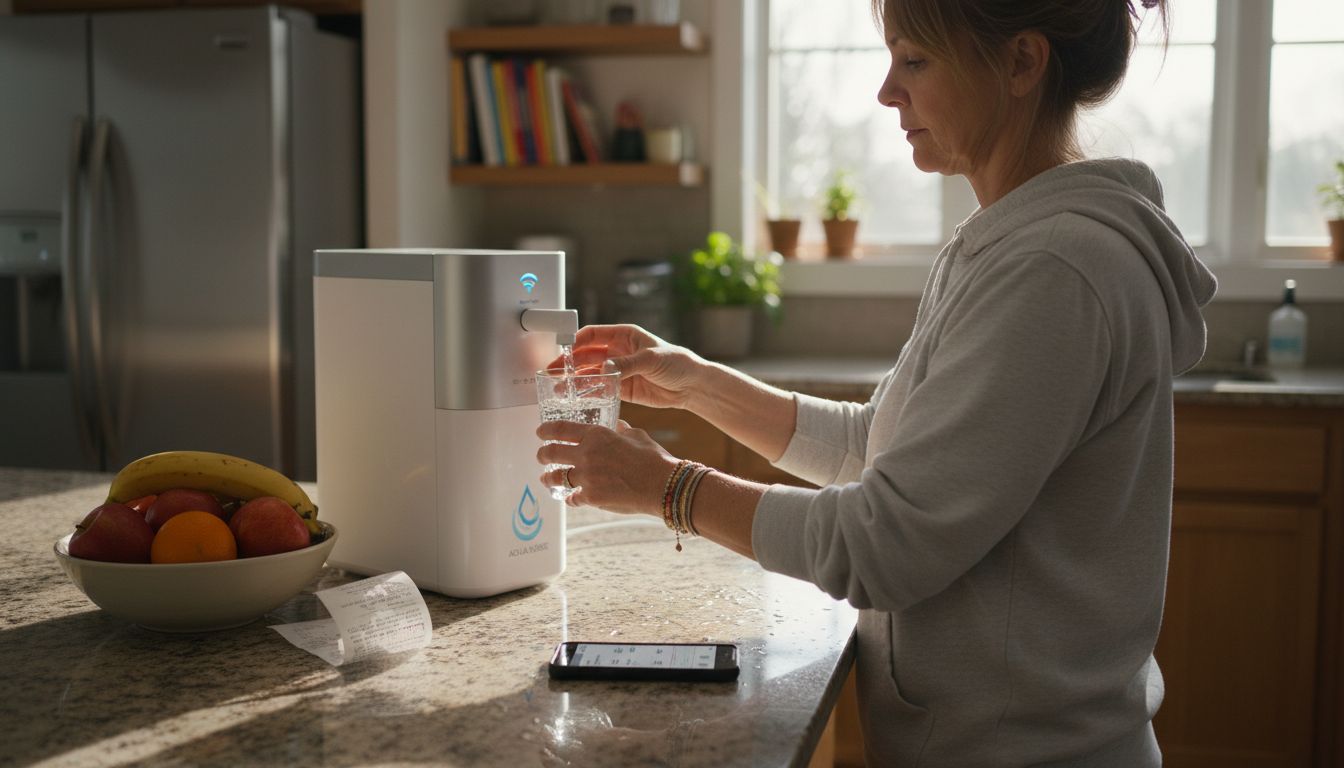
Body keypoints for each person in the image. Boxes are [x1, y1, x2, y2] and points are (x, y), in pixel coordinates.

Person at [536, 0, 1216, 764]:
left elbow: (886, 547)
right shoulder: (1007, 243)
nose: (888, 91)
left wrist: (669, 487)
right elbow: (877, 449)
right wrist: (696, 384)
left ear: (1022, 63)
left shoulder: (1050, 269)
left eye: (915, 60)